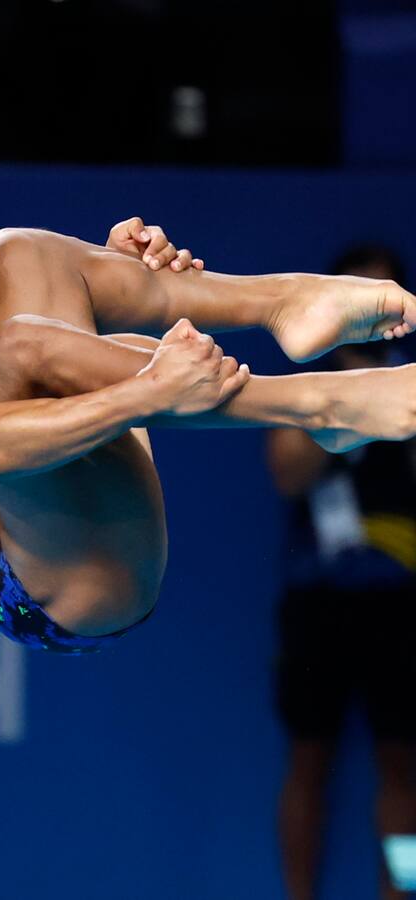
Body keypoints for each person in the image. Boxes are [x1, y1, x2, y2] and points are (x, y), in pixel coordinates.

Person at [0, 56, 416, 653]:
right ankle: (324, 404)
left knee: (21, 253)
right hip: (45, 588)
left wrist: (103, 274)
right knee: (28, 349)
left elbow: (11, 376)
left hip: (59, 516)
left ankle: (287, 303)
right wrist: (148, 392)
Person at [267, 245, 416, 900]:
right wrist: (343, 404)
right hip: (318, 602)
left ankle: (401, 893)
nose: (371, 314)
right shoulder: (309, 378)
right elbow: (286, 472)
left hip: (402, 603)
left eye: (383, 299)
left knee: (404, 770)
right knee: (308, 762)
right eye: (359, 299)